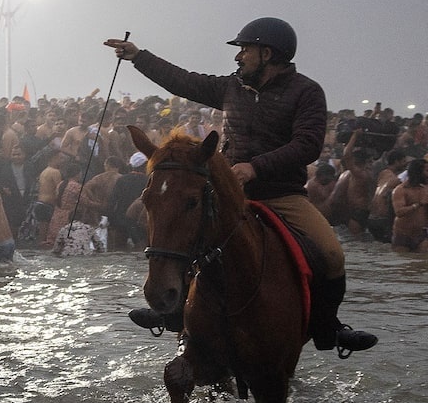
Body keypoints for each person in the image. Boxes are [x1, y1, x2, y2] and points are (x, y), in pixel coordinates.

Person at [106, 20, 377, 353]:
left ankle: (327, 327)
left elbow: (308, 144)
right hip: (228, 194)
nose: (239, 57)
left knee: (332, 255)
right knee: (184, 235)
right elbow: (184, 81)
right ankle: (171, 311)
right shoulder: (232, 87)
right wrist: (138, 57)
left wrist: (255, 167)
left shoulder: (306, 92)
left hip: (282, 194)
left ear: (267, 53)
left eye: (245, 50)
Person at [390, 159, 426, 252]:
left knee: (422, 264)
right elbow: (399, 212)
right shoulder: (400, 190)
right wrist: (418, 204)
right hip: (402, 236)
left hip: (421, 235)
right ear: (417, 172)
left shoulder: (425, 189)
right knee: (402, 264)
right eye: (427, 171)